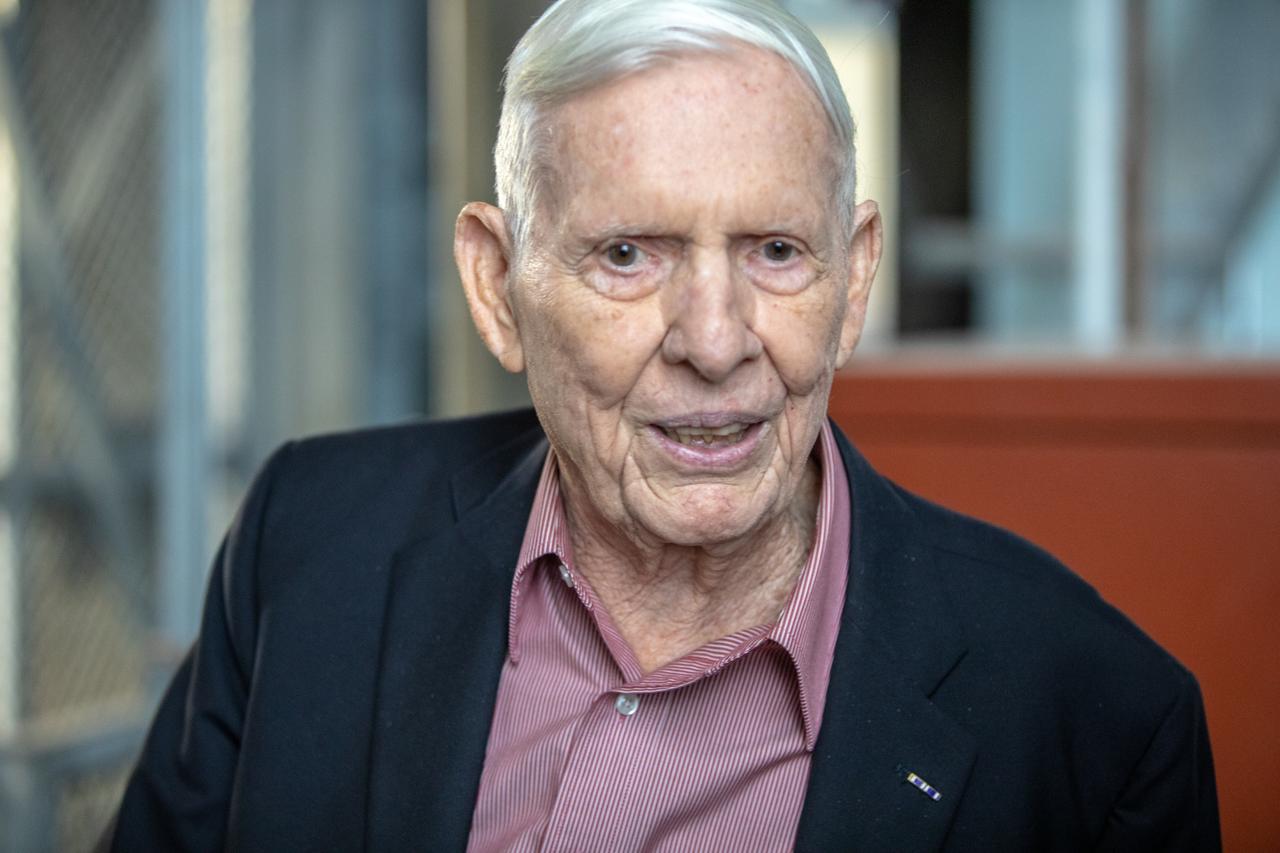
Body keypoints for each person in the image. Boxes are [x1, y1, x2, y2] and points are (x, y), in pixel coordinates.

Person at [101, 0, 1220, 850]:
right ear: (497, 288)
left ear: (853, 279)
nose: (715, 339)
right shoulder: (309, 545)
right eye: (627, 254)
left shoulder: (1096, 716)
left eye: (775, 252)